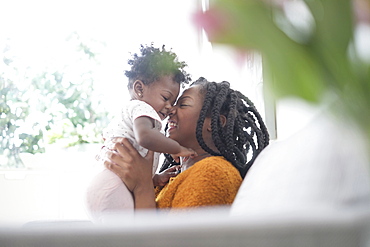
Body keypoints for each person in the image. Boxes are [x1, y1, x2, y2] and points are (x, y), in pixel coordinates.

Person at [103, 77, 270, 212]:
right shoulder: (171, 178)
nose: (170, 110)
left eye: (183, 104)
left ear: (214, 123)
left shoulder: (213, 173)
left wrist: (142, 185)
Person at [85, 44, 196, 222]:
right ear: (139, 89)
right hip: (112, 187)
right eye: (166, 98)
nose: (169, 107)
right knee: (133, 234)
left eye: (174, 101)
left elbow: (138, 167)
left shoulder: (138, 112)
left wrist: (155, 178)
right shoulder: (141, 107)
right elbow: (144, 137)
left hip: (109, 186)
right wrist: (177, 149)